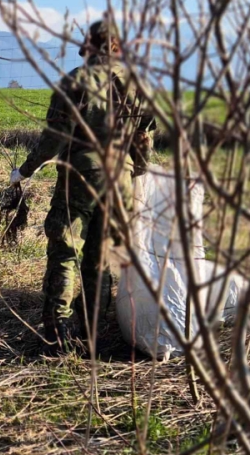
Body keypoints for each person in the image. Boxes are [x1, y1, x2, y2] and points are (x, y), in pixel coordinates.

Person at [9, 20, 155, 347]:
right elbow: (144, 138)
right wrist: (139, 173)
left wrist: (26, 169)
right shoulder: (136, 84)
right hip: (121, 181)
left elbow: (54, 137)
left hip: (80, 176)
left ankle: (57, 332)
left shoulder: (76, 81)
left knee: (65, 249)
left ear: (87, 47)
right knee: (101, 257)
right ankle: (91, 332)